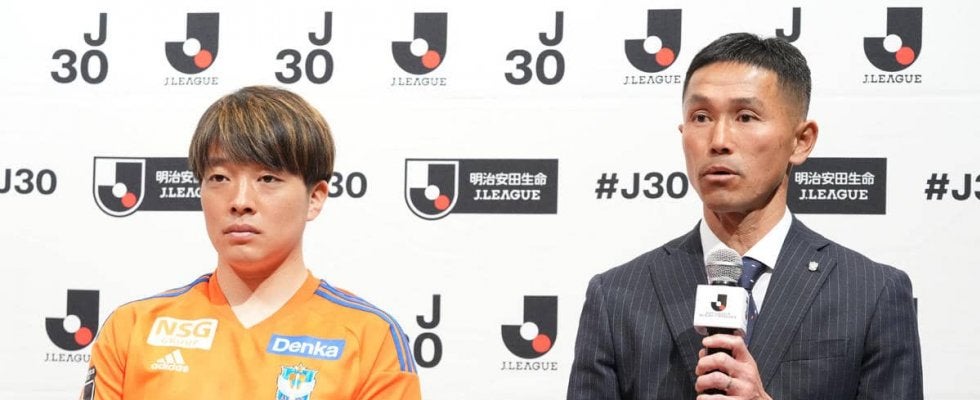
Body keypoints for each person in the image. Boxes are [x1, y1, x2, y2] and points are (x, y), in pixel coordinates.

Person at [566, 33, 922, 399]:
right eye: (701, 117)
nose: (719, 140)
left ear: (801, 140)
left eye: (746, 117)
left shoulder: (873, 293)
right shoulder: (616, 297)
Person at [81, 86, 421, 400]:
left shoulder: (370, 338)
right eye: (219, 178)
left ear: (315, 198)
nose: (240, 200)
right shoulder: (133, 328)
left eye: (267, 178)